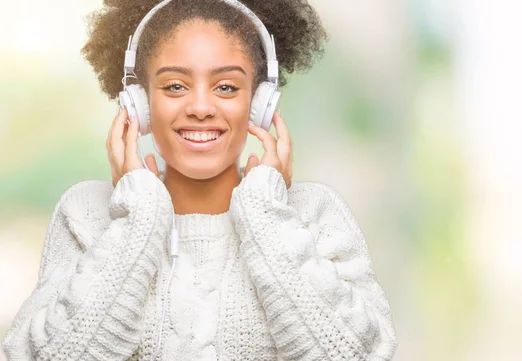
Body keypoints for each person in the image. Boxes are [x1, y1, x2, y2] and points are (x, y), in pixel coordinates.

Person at [1, 0, 397, 360]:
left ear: (260, 103)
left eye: (226, 87)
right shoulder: (86, 213)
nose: (202, 107)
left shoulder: (312, 213)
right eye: (175, 86)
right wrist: (140, 216)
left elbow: (360, 354)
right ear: (139, 103)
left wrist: (265, 214)